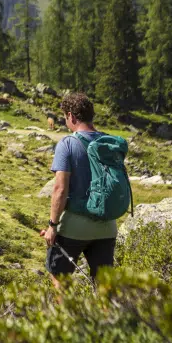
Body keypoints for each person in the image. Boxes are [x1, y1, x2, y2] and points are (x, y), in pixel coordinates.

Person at [39, 92, 117, 281]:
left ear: (71, 117)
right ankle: (106, 312)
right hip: (107, 226)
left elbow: (60, 190)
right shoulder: (109, 142)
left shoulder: (68, 144)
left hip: (75, 226)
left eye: (66, 117)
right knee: (104, 284)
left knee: (59, 277)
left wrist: (52, 225)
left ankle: (65, 312)